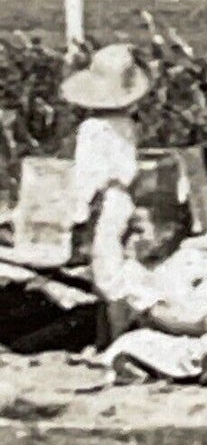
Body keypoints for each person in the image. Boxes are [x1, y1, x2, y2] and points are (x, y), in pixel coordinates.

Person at [63, 45, 152, 348]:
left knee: (106, 272)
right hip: (123, 198)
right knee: (115, 263)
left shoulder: (92, 129)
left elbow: (87, 177)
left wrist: (77, 214)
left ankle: (115, 341)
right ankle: (107, 339)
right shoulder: (127, 125)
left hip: (103, 201)